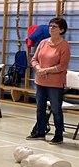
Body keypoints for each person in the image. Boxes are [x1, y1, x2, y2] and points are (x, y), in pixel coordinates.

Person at [26, 17, 70, 145]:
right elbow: (34, 59)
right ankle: (40, 132)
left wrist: (46, 70)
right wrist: (38, 68)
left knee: (56, 109)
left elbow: (62, 65)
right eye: (50, 26)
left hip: (55, 83)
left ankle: (58, 135)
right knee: (40, 108)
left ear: (61, 30)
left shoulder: (64, 45)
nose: (51, 28)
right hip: (40, 81)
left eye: (55, 26)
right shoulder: (43, 43)